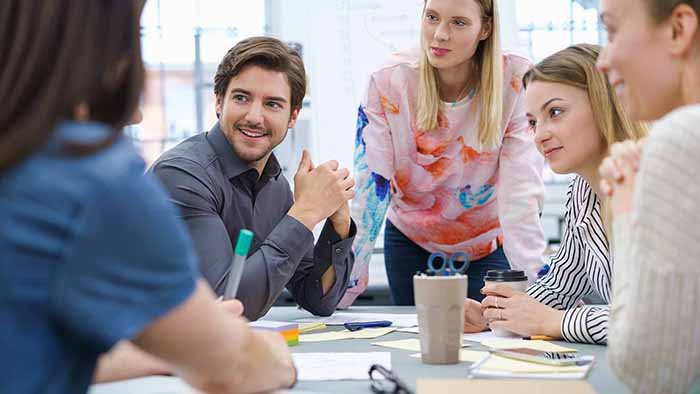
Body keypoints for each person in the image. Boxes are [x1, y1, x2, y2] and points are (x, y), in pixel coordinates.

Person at [0, 1, 296, 393]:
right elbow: (235, 366)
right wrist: (269, 354)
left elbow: (37, 350)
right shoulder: (90, 175)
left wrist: (174, 346)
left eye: (273, 103)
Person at [340, 0, 546, 307]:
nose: (439, 35)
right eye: (432, 18)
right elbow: (371, 189)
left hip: (488, 244)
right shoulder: (388, 81)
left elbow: (520, 194)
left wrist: (539, 295)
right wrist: (344, 288)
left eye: (458, 23)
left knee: (496, 342)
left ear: (485, 28)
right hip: (411, 239)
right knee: (416, 344)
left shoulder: (515, 78)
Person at [150, 36, 356, 321]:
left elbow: (317, 299)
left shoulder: (276, 186)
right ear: (219, 102)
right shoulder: (181, 176)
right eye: (241, 98)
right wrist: (306, 212)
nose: (254, 116)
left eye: (272, 104)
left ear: (293, 116)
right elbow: (226, 306)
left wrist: (339, 224)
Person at [462, 44, 647, 344]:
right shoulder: (583, 191)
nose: (539, 135)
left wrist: (555, 321)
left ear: (604, 102)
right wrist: (496, 316)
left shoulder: (657, 185)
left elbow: (650, 321)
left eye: (555, 112)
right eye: (533, 122)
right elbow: (561, 285)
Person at [596, 0, 700, 392]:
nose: (602, 61)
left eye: (611, 31)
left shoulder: (683, 136)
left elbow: (646, 370)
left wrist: (626, 206)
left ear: (678, 29)